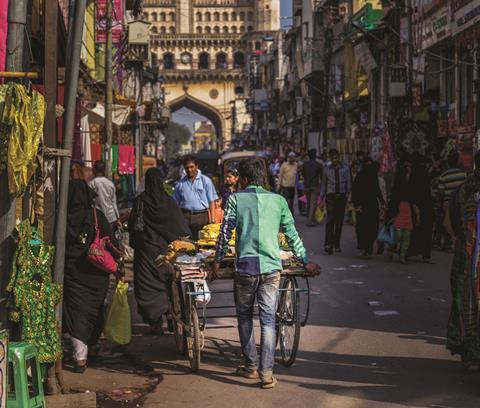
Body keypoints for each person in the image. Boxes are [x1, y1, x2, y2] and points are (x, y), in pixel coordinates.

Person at [212, 159, 320, 389]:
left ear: (242, 179)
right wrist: (305, 260)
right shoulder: (279, 201)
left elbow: (224, 233)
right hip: (272, 268)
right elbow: (292, 235)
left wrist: (217, 261)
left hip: (245, 268)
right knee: (269, 320)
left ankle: (251, 365)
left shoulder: (235, 199)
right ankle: (267, 373)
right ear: (263, 178)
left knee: (244, 316)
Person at [63, 180, 120, 373]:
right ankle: (93, 344)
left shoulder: (63, 218)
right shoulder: (97, 216)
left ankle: (80, 358)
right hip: (97, 275)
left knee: (76, 314)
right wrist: (118, 262)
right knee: (94, 311)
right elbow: (111, 243)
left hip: (72, 273)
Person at [128, 168, 191, 333]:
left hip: (146, 251)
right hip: (165, 252)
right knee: (168, 283)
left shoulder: (141, 200)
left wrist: (136, 244)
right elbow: (179, 225)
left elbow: (134, 224)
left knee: (147, 286)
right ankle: (170, 314)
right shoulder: (168, 202)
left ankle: (155, 321)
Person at [446, 151, 480, 371]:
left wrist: (462, 239)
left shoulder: (462, 190)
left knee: (467, 304)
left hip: (465, 256)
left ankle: (471, 355)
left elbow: (448, 223)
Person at [173, 155, 218, 239]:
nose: (189, 170)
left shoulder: (206, 181)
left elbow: (212, 202)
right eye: (187, 168)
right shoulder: (180, 184)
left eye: (191, 167)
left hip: (201, 217)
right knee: (187, 245)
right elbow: (175, 204)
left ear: (197, 166)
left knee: (202, 244)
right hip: (185, 217)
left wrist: (212, 220)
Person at [321, 149, 351, 254]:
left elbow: (348, 183)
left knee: (339, 221)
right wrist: (321, 198)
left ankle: (336, 244)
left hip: (341, 197)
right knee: (330, 220)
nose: (334, 160)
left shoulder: (346, 169)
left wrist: (349, 195)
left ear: (339, 157)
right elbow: (324, 184)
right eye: (332, 158)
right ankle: (328, 243)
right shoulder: (326, 169)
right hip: (330, 197)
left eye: (336, 158)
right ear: (330, 158)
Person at [386, 161, 417, 264]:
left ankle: (402, 256)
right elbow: (393, 198)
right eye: (407, 171)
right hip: (399, 209)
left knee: (407, 235)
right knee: (398, 234)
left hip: (408, 209)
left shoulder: (412, 182)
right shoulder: (398, 184)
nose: (409, 173)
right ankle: (391, 246)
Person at [352, 158, 384, 257]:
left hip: (368, 206)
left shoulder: (367, 175)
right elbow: (356, 191)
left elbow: (376, 189)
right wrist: (357, 205)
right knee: (365, 227)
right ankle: (365, 247)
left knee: (369, 227)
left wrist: (382, 201)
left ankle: (367, 247)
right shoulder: (362, 175)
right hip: (365, 206)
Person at [407, 158, 435, 263]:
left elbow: (411, 195)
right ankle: (425, 254)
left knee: (415, 231)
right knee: (426, 232)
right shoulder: (425, 180)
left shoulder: (412, 179)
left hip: (415, 210)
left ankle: (412, 252)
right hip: (426, 210)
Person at [438, 153, 466, 250]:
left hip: (448, 204)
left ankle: (450, 241)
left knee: (447, 223)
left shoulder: (443, 176)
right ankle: (457, 240)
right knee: (459, 222)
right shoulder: (464, 174)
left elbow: (441, 192)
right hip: (460, 203)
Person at [89, 160, 120, 229]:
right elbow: (113, 202)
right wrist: (117, 218)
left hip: (97, 217)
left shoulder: (91, 184)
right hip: (110, 217)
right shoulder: (110, 184)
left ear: (94, 169)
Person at [302, 149, 323, 226]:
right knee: (313, 203)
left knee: (309, 203)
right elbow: (322, 176)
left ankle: (311, 218)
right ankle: (310, 221)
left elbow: (303, 174)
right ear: (315, 155)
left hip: (307, 186)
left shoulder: (305, 164)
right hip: (315, 186)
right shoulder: (318, 164)